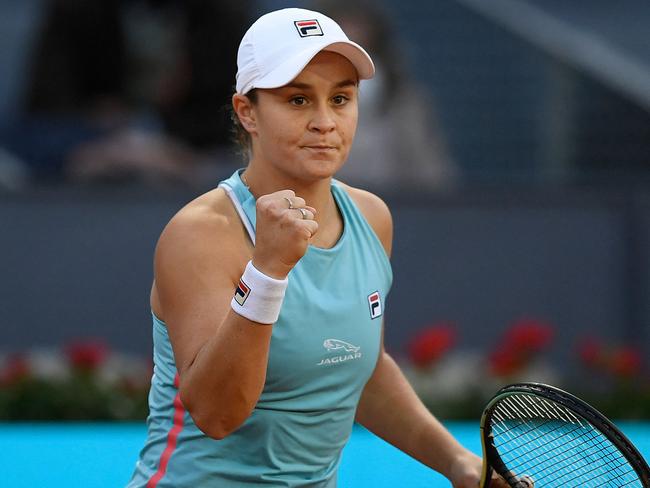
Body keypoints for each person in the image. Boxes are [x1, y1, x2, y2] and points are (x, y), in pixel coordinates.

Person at [128, 8, 506, 487]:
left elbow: (359, 368)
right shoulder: (199, 234)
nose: (326, 122)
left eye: (341, 98)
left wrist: (458, 462)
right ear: (248, 111)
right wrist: (267, 270)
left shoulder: (372, 217)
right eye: (299, 100)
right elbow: (217, 415)